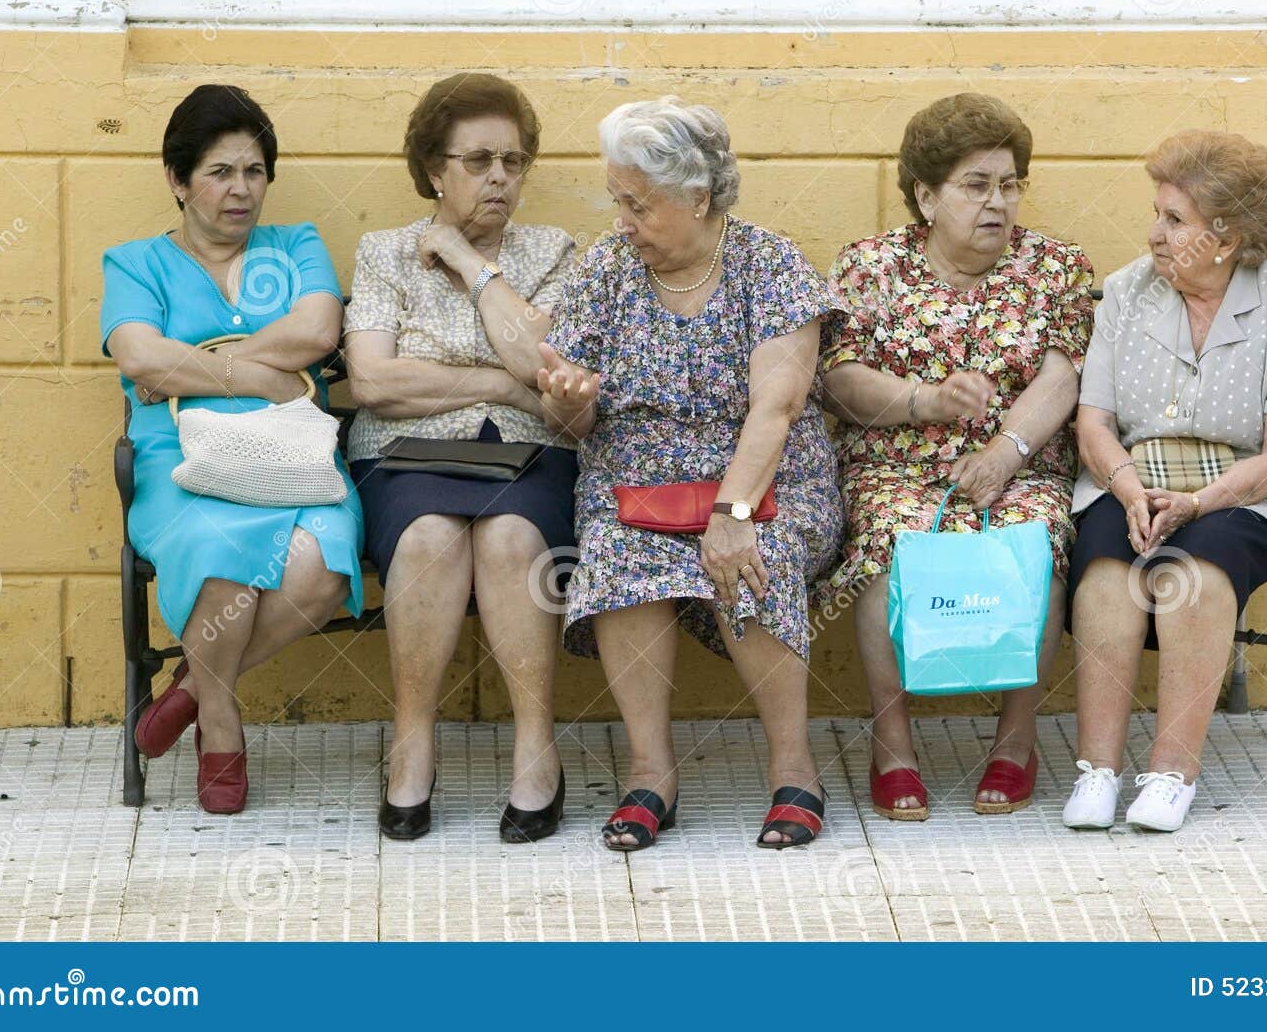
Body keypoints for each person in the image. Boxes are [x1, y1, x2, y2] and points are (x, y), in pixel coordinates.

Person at [539, 97, 846, 850]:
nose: (623, 220)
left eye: (638, 204)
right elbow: (574, 422)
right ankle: (651, 775)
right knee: (618, 557)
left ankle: (794, 767)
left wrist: (731, 514)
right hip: (637, 484)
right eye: (618, 200)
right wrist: (568, 405)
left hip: (765, 479)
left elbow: (776, 409)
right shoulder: (605, 271)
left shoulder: (769, 264)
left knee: (755, 557)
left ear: (698, 197)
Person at [819, 93, 1092, 820]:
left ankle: (1015, 740)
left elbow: (1062, 374)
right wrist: (924, 401)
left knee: (1037, 537)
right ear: (925, 195)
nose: (997, 202)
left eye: (1009, 184)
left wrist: (1006, 450)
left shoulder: (1055, 267)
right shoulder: (871, 266)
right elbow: (838, 378)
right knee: (887, 538)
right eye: (976, 185)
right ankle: (894, 745)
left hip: (1020, 461)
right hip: (897, 464)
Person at [1065, 130, 1267, 833]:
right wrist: (1128, 491)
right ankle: (1097, 770)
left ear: (1227, 238)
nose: (1154, 233)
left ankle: (1171, 772)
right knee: (1103, 572)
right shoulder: (1126, 293)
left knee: (1196, 572)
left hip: (1247, 488)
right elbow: (1092, 423)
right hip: (1131, 478)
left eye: (1174, 220)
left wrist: (1196, 503)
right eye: (1156, 212)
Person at [102, 84, 362, 815]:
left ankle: (188, 690)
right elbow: (139, 358)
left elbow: (316, 331)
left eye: (253, 171)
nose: (241, 190)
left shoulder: (295, 245)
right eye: (219, 172)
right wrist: (256, 373)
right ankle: (220, 721)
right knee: (219, 552)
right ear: (177, 179)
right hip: (180, 459)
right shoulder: (134, 264)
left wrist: (200, 360)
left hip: (294, 453)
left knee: (322, 567)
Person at [343, 74, 577, 843]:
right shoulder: (383, 254)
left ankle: (537, 747)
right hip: (405, 458)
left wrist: (471, 266)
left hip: (528, 456)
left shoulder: (551, 253)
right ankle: (412, 742)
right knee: (427, 539)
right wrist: (495, 381)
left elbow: (546, 372)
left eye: (513, 161)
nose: (500, 178)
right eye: (478, 160)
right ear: (434, 170)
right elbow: (374, 381)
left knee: (514, 542)